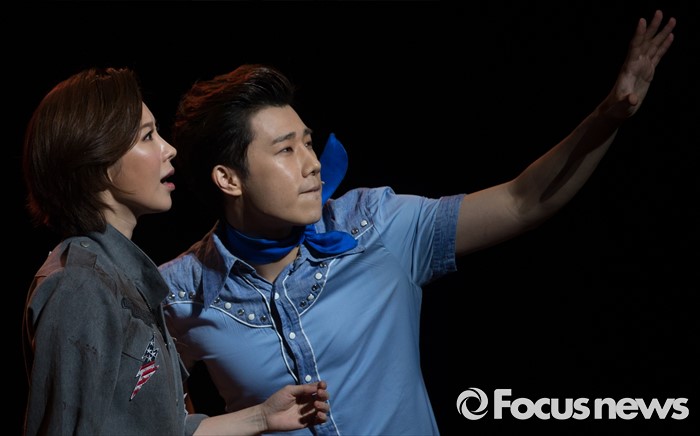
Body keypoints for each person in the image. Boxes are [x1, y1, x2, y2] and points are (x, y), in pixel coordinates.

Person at [159, 10, 676, 435]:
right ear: (229, 179)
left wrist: (607, 117)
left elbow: (522, 202)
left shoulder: (374, 226)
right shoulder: (178, 294)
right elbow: (151, 419)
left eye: (308, 142)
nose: (313, 163)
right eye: (286, 149)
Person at [21, 67, 331, 436]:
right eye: (147, 136)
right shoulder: (79, 285)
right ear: (99, 159)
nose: (169, 149)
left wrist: (260, 417)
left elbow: (156, 428)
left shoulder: (120, 276)